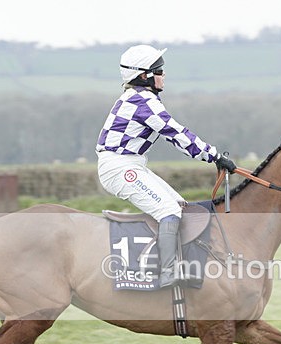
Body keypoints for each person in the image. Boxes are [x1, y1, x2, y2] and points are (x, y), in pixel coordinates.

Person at [96, 44, 236, 289]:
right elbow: (176, 133)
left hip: (129, 164)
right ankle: (167, 273)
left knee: (180, 206)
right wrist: (214, 156)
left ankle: (178, 265)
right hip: (119, 167)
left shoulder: (140, 98)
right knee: (169, 211)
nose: (163, 75)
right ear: (144, 76)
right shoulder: (143, 101)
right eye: (159, 70)